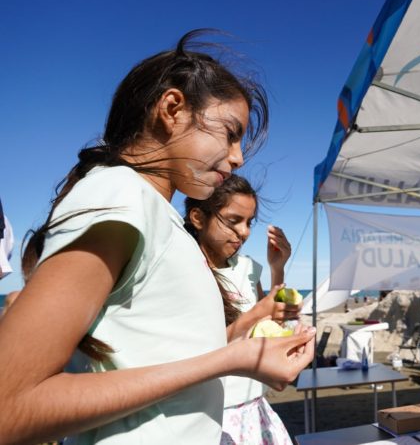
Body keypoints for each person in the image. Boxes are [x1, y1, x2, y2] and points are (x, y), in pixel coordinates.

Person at [0, 30, 315, 444]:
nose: (239, 157)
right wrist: (227, 361)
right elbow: (12, 406)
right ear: (172, 109)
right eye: (230, 133)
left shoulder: (152, 212)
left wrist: (238, 355)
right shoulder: (122, 196)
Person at [184, 174, 299, 445]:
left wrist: (277, 268)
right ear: (198, 218)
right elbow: (194, 358)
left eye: (249, 222)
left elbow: (268, 330)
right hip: (211, 416)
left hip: (254, 408)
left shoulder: (247, 268)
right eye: (234, 220)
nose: (245, 232)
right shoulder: (186, 272)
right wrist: (257, 313)